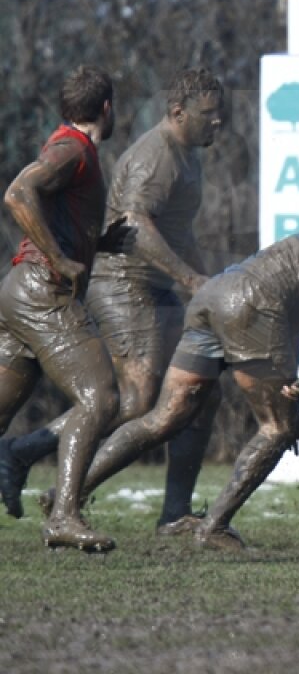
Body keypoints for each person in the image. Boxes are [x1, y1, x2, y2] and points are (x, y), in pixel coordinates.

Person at [47, 191, 299, 550]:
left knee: (164, 418)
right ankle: (214, 526)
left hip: (217, 294)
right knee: (278, 429)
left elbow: (293, 309)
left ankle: (66, 495)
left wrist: (288, 390)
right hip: (251, 305)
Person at [0, 68, 224, 529]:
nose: (217, 122)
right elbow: (24, 194)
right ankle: (60, 495)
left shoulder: (185, 155)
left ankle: (173, 512)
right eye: (208, 114)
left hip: (137, 288)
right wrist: (188, 277)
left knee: (201, 389)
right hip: (116, 288)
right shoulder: (125, 153)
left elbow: (167, 231)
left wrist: (205, 284)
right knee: (119, 400)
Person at [0, 65, 128, 551]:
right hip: (42, 291)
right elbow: (18, 192)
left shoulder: (73, 147)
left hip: (19, 292)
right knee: (101, 400)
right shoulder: (74, 148)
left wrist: (102, 242)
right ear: (107, 109)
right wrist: (58, 258)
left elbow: (55, 212)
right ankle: (63, 517)